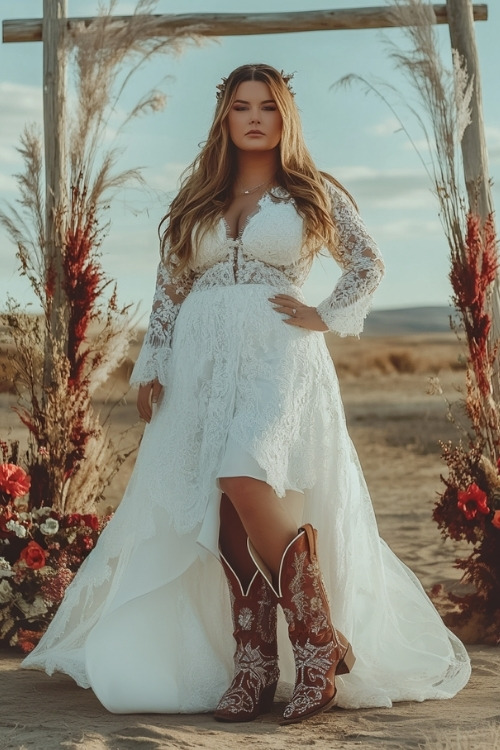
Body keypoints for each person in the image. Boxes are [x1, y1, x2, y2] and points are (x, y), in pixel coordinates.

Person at [22, 63, 470, 724]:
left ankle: (318, 647)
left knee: (246, 473)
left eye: (268, 106)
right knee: (222, 501)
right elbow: (171, 284)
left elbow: (368, 260)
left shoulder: (310, 191)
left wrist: (326, 313)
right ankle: (254, 664)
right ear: (225, 118)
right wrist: (154, 361)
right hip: (202, 364)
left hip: (277, 358)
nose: (255, 116)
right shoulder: (200, 195)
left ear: (285, 117)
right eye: (241, 106)